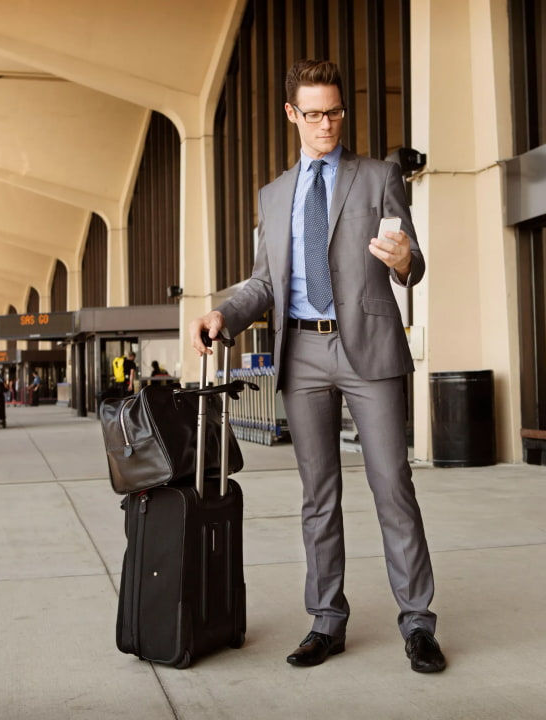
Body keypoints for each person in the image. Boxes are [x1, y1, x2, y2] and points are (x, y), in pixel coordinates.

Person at [188, 59, 445, 674]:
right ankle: (326, 620)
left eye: (334, 111)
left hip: (370, 352)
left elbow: (410, 262)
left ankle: (418, 623)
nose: (327, 123)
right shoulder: (274, 196)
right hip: (301, 354)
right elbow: (263, 282)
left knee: (393, 489)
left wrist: (407, 260)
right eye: (314, 113)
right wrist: (224, 313)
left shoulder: (378, 174)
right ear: (291, 115)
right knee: (318, 497)